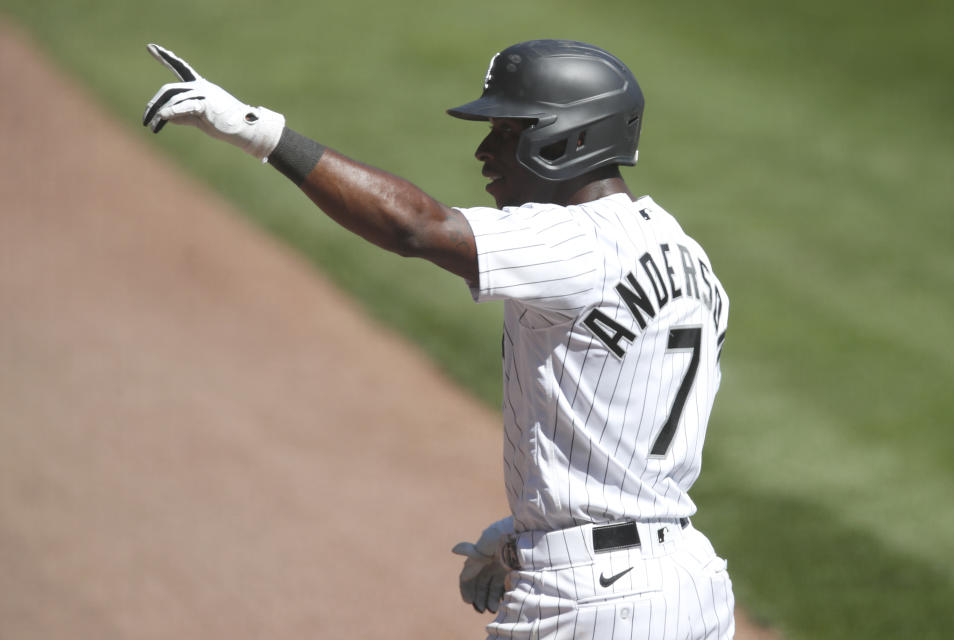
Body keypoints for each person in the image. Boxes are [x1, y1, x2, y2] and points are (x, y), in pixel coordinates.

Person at [143, 38, 734, 639]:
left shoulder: (575, 241)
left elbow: (416, 227)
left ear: (569, 138)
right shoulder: (687, 256)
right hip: (687, 582)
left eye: (507, 131)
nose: (484, 152)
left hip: (595, 602)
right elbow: (623, 418)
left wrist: (259, 133)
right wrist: (528, 531)